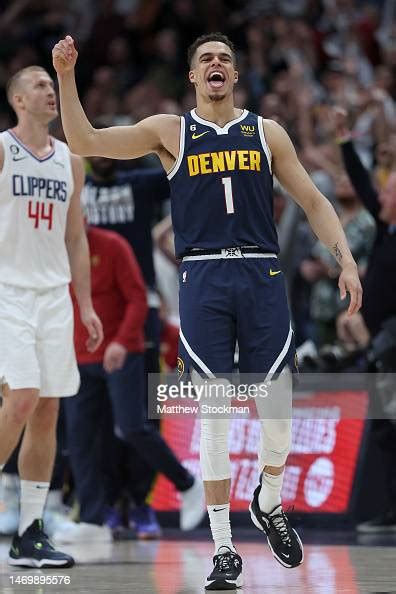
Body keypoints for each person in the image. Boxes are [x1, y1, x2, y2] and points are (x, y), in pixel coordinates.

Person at [52, 33, 362, 591]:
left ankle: (268, 500)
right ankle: (223, 550)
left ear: (235, 76)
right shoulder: (170, 131)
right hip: (204, 278)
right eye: (206, 60)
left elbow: (314, 202)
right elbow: (84, 138)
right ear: (193, 77)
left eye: (225, 59)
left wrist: (346, 261)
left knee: (279, 421)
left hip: (262, 274)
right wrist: (67, 76)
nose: (216, 65)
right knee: (214, 416)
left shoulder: (266, 133)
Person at [0, 65, 103, 568]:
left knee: (47, 411)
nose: (49, 91)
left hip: (54, 297)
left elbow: (75, 238)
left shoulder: (70, 160)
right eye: (39, 85)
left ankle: (29, 533)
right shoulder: (2, 148)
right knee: (20, 399)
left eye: (50, 84)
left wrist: (84, 304)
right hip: (7, 293)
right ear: (18, 100)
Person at [56, 224, 205, 543]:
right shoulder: (52, 250)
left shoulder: (112, 245)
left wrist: (122, 342)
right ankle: (93, 520)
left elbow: (139, 298)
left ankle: (188, 485)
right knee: (80, 438)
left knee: (132, 426)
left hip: (122, 353)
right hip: (78, 358)